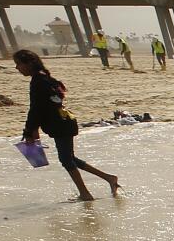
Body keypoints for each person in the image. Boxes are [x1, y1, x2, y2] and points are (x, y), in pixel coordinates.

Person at [14, 49, 120, 202]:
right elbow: (43, 107)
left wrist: (29, 131)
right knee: (70, 158)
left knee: (66, 160)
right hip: (64, 122)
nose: (17, 68)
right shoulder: (46, 79)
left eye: (18, 64)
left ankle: (85, 194)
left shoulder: (39, 81)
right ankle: (109, 178)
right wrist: (32, 130)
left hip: (60, 125)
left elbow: (36, 109)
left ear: (29, 63)